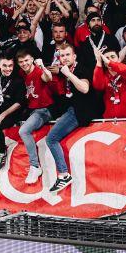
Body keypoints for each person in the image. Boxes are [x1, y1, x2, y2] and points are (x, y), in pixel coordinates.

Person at [45, 43, 95, 193]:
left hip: (80, 112)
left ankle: (64, 174)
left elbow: (85, 89)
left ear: (74, 56)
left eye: (68, 55)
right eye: (62, 56)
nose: (65, 58)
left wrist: (68, 74)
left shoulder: (80, 69)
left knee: (51, 139)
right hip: (72, 110)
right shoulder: (67, 70)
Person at [16, 50, 55, 184]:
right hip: (32, 110)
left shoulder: (38, 71)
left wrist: (42, 66)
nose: (24, 64)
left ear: (32, 59)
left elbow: (48, 77)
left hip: (43, 110)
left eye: (26, 60)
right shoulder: (22, 72)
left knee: (23, 131)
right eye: (21, 62)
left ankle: (34, 166)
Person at [92, 47, 126, 118]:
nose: (110, 59)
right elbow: (98, 86)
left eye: (112, 57)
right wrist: (99, 61)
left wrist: (109, 62)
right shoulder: (104, 75)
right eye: (107, 58)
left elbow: (123, 69)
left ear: (119, 59)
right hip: (110, 119)